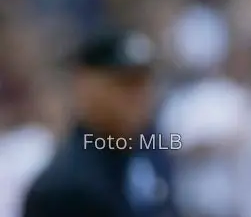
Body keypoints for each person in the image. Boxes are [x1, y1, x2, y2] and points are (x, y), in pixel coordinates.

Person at [23, 29, 177, 217]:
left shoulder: (150, 153)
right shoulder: (64, 187)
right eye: (126, 83)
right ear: (85, 86)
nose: (140, 96)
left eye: (145, 83)